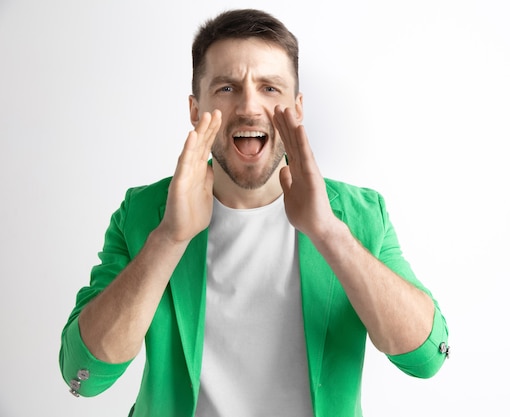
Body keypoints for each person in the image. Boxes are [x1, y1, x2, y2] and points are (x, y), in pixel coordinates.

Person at [59, 8, 449, 417]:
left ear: (296, 109)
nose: (249, 107)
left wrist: (329, 233)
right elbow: (83, 374)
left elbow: (426, 358)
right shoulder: (142, 214)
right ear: (196, 110)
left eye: (270, 88)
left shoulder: (360, 215)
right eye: (226, 88)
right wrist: (169, 238)